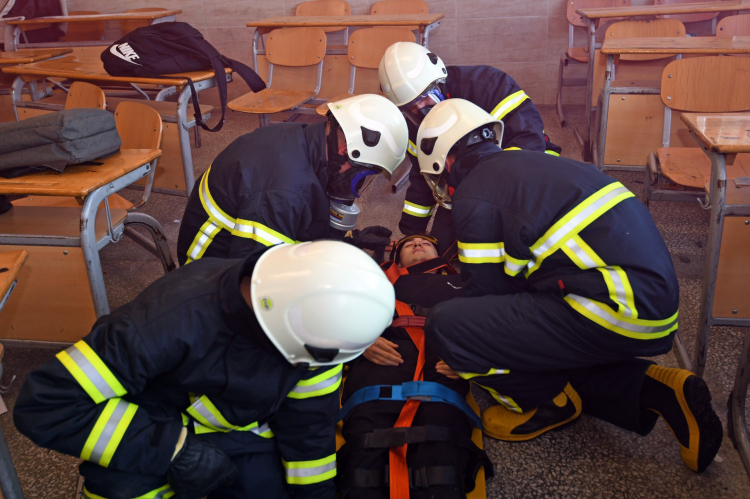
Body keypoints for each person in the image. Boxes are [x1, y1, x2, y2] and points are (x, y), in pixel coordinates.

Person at [413, 99, 723, 473]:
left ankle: (544, 404)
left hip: (611, 306)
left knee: (450, 326)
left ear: (445, 161)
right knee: (538, 342)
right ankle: (659, 391)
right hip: (652, 305)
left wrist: (467, 351)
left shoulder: (474, 193)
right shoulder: (538, 163)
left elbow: (486, 295)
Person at [14, 241, 395, 499]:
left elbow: (309, 430)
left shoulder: (319, 332)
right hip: (150, 421)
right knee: (122, 489)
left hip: (242, 429)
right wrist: (173, 452)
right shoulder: (165, 323)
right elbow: (48, 405)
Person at [338, 234, 492, 498]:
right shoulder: (374, 282)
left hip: (442, 364)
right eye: (409, 244)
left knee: (441, 452)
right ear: (397, 260)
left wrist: (472, 358)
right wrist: (361, 340)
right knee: (365, 454)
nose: (417, 244)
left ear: (439, 256)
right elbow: (333, 313)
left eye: (426, 243)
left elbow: (495, 325)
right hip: (382, 359)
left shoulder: (467, 282)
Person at [176, 94, 407, 266]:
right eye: (363, 175)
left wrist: (348, 242)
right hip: (208, 274)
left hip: (238, 244)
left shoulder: (304, 138)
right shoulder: (283, 191)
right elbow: (257, 276)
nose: (356, 185)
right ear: (346, 150)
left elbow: (301, 216)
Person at [378, 42, 561, 251]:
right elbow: (423, 178)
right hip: (464, 182)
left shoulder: (488, 84)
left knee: (523, 239)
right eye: (410, 107)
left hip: (525, 167)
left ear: (439, 81)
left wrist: (489, 190)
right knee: (444, 247)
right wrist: (411, 234)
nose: (420, 109)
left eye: (424, 97)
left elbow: (528, 137)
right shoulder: (412, 125)